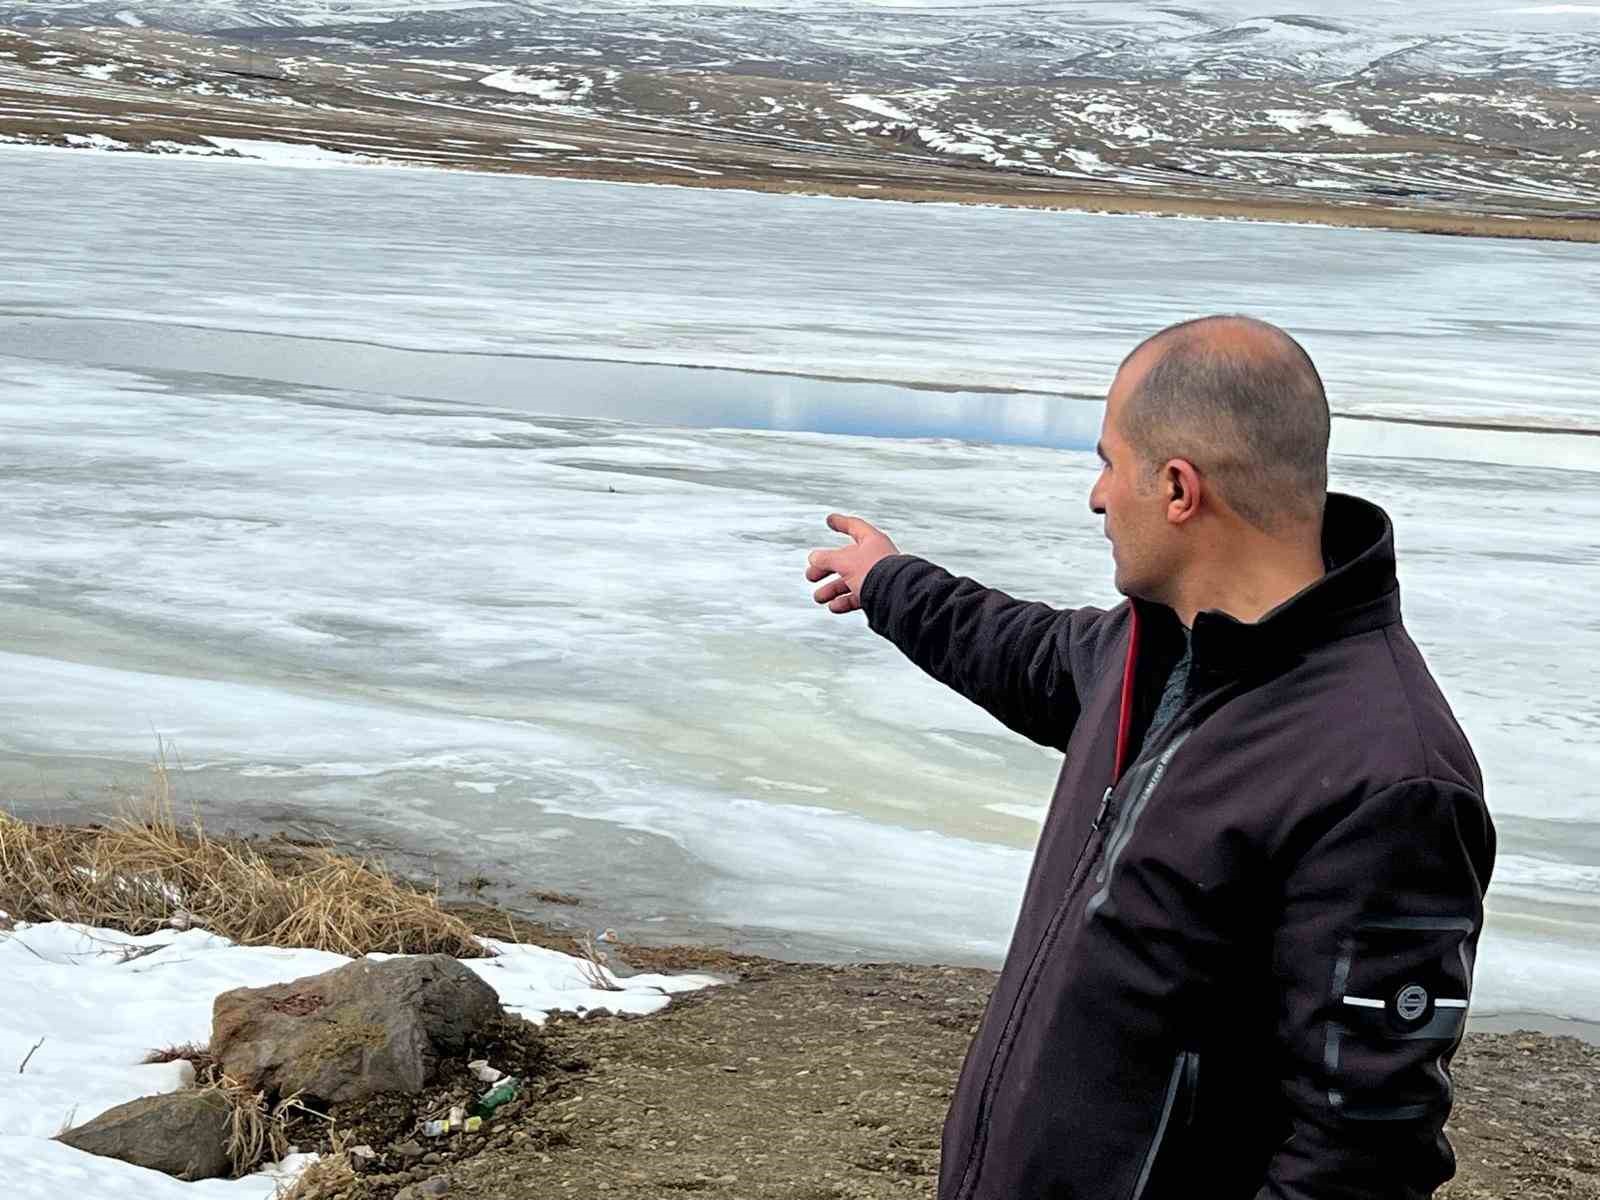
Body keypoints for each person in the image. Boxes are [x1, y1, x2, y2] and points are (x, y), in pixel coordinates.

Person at [803, 315, 1496, 1200]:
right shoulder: (1155, 653)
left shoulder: (1388, 775)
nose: (1097, 496)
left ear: (1177, 488)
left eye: (1107, 462)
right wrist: (889, 583)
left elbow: (1361, 1156)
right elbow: (1021, 649)